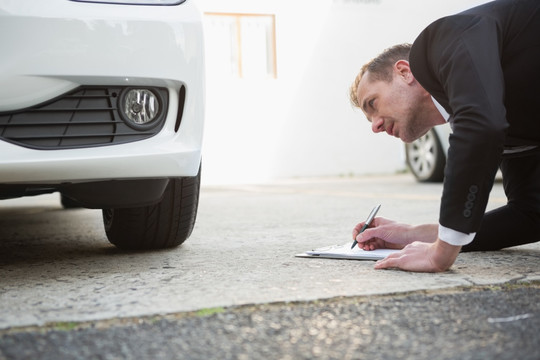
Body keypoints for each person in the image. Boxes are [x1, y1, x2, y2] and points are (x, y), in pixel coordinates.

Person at [349, 0, 540, 272]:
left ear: (404, 72)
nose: (375, 126)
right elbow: (531, 214)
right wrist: (416, 233)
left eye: (373, 103)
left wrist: (440, 254)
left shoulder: (446, 38)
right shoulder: (490, 110)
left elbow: (480, 126)